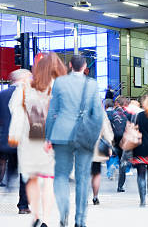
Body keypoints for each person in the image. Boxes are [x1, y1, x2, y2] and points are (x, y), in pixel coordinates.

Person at [45, 55, 104, 227]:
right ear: (85, 66)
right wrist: (94, 136)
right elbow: (98, 114)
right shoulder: (92, 84)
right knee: (83, 178)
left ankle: (64, 213)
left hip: (61, 134)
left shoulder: (60, 82)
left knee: (61, 175)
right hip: (84, 135)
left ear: (70, 65)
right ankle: (80, 221)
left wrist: (48, 137)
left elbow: (52, 111)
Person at [9, 54, 67, 227]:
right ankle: (46, 220)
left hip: (29, 136)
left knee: (32, 178)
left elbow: (15, 108)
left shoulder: (26, 86)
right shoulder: (59, 87)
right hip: (50, 138)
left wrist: (16, 133)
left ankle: (35, 216)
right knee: (48, 179)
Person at [0, 72, 30, 214]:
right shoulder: (28, 93)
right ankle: (23, 205)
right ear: (24, 79)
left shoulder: (3, 94)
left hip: (7, 139)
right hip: (24, 138)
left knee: (12, 166)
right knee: (25, 171)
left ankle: (7, 185)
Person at [91, 113, 114, 205]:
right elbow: (106, 130)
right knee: (96, 173)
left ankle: (82, 197)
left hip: (82, 145)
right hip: (96, 147)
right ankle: (95, 197)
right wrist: (109, 145)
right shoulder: (100, 113)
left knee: (83, 174)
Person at [110, 96, 129, 192]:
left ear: (116, 103)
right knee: (123, 162)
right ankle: (120, 186)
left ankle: (111, 170)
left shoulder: (110, 113)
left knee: (111, 158)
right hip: (124, 141)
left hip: (113, 140)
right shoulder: (127, 114)